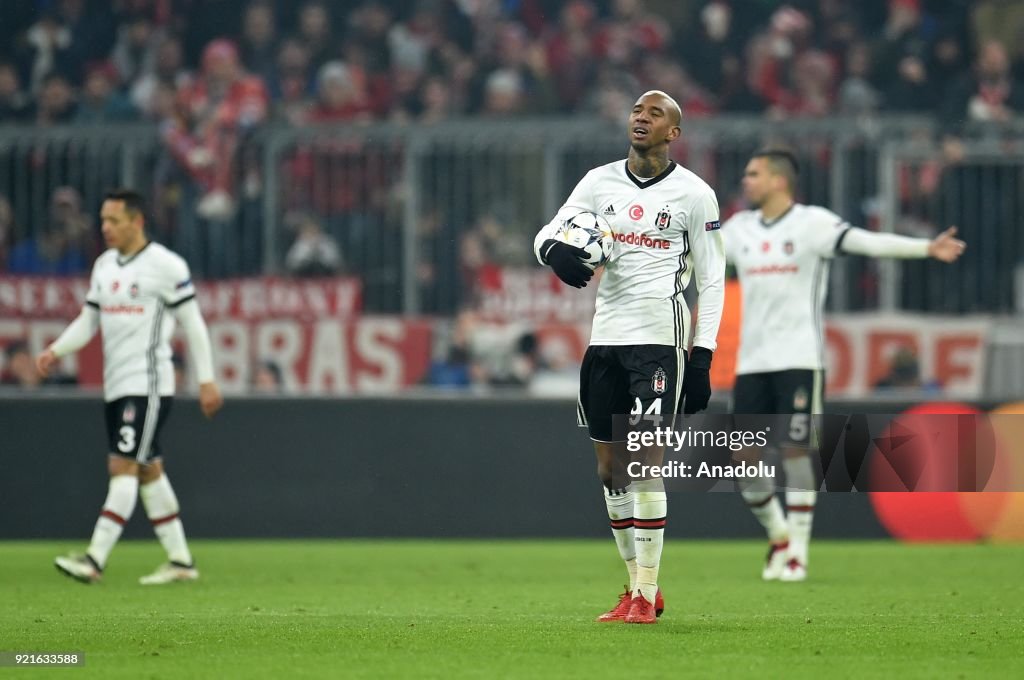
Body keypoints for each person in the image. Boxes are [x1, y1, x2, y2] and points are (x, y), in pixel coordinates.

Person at [722, 149, 966, 582]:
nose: (746, 181)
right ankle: (778, 534)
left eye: (754, 173)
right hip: (751, 362)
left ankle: (797, 549)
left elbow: (868, 242)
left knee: (795, 450)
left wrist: (926, 247)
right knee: (744, 460)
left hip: (798, 358)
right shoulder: (738, 229)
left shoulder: (813, 224)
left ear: (779, 181)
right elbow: (696, 263)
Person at [534, 90, 725, 624]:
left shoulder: (695, 195)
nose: (642, 117)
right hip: (605, 340)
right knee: (609, 471)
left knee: (644, 464)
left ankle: (646, 592)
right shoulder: (598, 183)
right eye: (637, 110)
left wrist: (704, 354)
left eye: (655, 112)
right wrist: (555, 253)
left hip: (659, 340)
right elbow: (548, 232)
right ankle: (636, 588)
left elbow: (712, 282)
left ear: (674, 133)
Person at [36, 189, 223, 585]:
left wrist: (206, 379)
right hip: (116, 384)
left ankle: (94, 559)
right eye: (103, 220)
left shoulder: (166, 266)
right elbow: (89, 320)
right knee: (149, 470)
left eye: (114, 220)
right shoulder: (104, 265)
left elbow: (193, 324)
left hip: (149, 382)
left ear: (137, 222)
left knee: (122, 465)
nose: (105, 228)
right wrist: (57, 349)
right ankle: (181, 562)